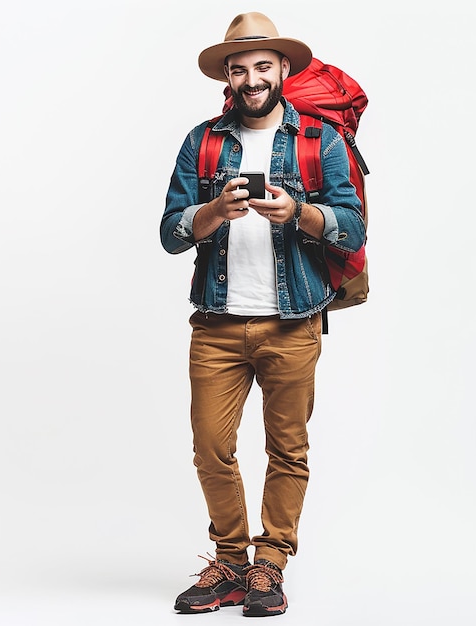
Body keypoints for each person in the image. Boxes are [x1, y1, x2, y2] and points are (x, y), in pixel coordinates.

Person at [160, 12, 365, 617]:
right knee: (211, 448)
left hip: (293, 322)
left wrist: (300, 214)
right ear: (228, 76)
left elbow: (350, 224)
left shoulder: (317, 141)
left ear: (281, 70)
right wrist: (212, 213)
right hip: (217, 324)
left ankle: (268, 568)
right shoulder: (202, 141)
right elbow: (171, 233)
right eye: (240, 69)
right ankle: (229, 562)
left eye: (262, 67)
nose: (252, 79)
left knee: (287, 449)